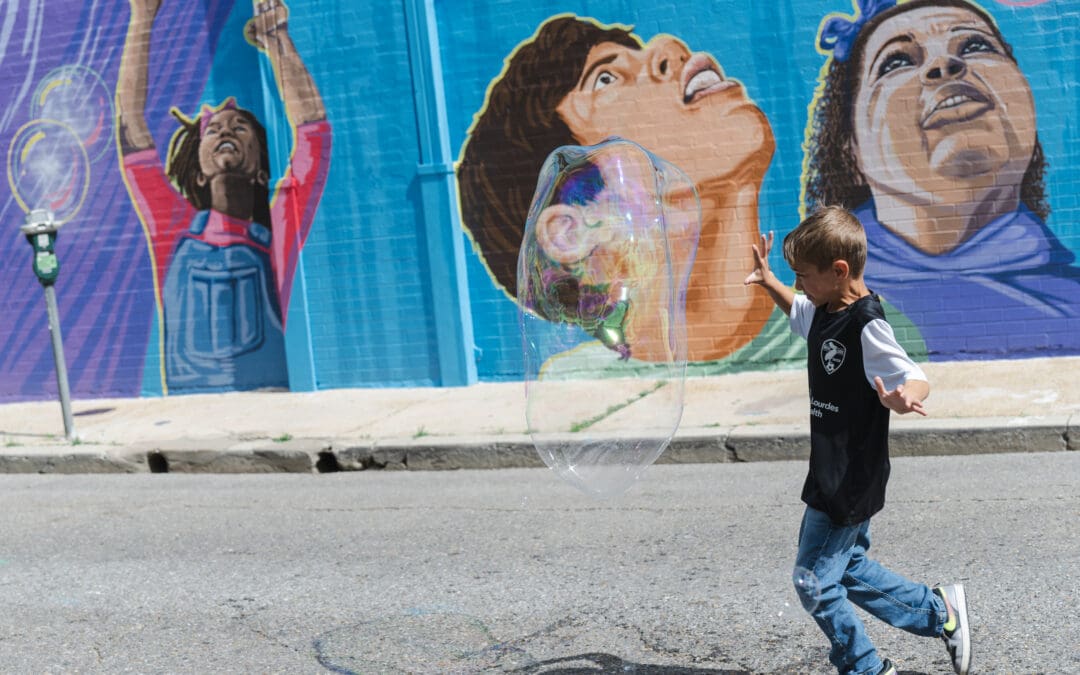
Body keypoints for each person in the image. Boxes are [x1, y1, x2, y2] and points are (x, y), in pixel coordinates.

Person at [458, 15, 776, 363]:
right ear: (569, 232)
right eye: (605, 78)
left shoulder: (825, 327)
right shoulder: (579, 386)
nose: (669, 48)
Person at [744, 206, 970, 675]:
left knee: (815, 584)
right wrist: (770, 283)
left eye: (803, 275)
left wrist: (907, 397)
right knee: (847, 569)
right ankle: (940, 612)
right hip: (833, 471)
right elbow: (800, 311)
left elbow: (913, 374)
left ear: (839, 271)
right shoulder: (827, 309)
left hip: (847, 477)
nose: (799, 283)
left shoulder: (867, 325)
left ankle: (866, 668)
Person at [804, 0, 1080, 360]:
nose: (945, 64)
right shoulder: (825, 310)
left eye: (975, 46)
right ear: (850, 151)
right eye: (897, 61)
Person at [116, 0, 331, 393]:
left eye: (240, 127)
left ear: (262, 169)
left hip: (272, 397)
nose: (226, 130)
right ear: (198, 170)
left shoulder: (278, 234)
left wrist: (278, 41)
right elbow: (131, 127)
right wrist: (142, 17)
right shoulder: (173, 229)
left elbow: (312, 135)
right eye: (213, 130)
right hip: (188, 408)